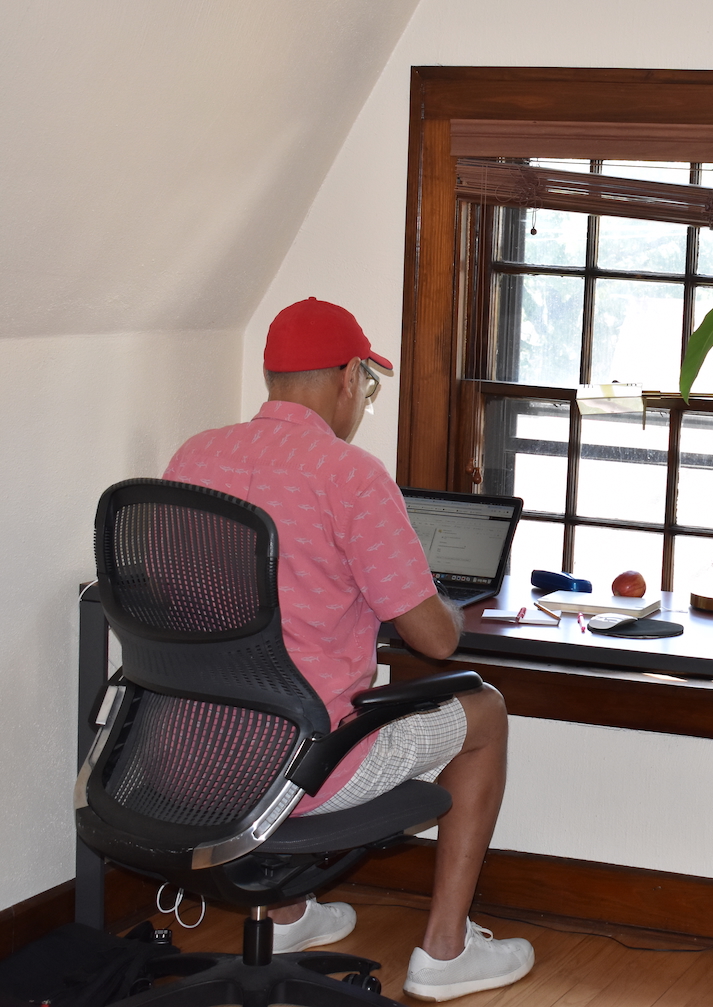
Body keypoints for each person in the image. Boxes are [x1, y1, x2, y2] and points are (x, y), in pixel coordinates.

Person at [163, 297, 531, 1001]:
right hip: (301, 766)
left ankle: (286, 915)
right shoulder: (351, 475)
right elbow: (432, 639)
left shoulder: (194, 455)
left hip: (190, 753)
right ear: (347, 377)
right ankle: (446, 951)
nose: (363, 399)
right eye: (367, 383)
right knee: (484, 709)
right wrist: (441, 601)